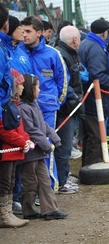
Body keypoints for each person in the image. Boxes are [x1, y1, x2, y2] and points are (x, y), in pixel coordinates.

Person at [20, 16, 68, 189]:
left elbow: (62, 82)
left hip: (47, 110)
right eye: (22, 31)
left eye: (28, 31)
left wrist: (53, 103)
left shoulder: (53, 54)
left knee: (46, 146)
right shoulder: (19, 52)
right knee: (24, 147)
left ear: (39, 33)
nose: (24, 35)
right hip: (22, 110)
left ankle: (47, 188)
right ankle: (27, 191)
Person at [78, 19, 109, 166]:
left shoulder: (85, 44)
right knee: (96, 135)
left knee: (89, 134)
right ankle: (94, 167)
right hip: (94, 99)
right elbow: (98, 76)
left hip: (87, 96)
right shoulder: (96, 48)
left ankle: (87, 166)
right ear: (105, 33)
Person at [18, 74, 68, 220]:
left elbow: (43, 125)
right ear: (29, 89)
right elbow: (32, 130)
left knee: (45, 180)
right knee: (30, 181)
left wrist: (55, 138)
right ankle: (29, 209)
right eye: (37, 87)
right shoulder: (23, 108)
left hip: (39, 152)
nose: (39, 90)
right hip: (30, 153)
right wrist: (47, 145)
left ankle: (50, 209)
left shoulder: (34, 105)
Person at [0, 5, 31, 227]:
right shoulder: (3, 50)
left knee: (9, 177)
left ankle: (8, 211)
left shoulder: (15, 50)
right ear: (6, 25)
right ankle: (5, 214)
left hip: (8, 111)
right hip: (4, 114)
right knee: (5, 177)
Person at [54, 25, 84, 194]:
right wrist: (75, 99)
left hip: (70, 106)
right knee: (63, 147)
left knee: (65, 146)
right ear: (74, 40)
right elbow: (63, 83)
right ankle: (61, 182)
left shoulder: (68, 54)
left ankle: (63, 177)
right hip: (66, 109)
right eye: (79, 37)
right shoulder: (62, 55)